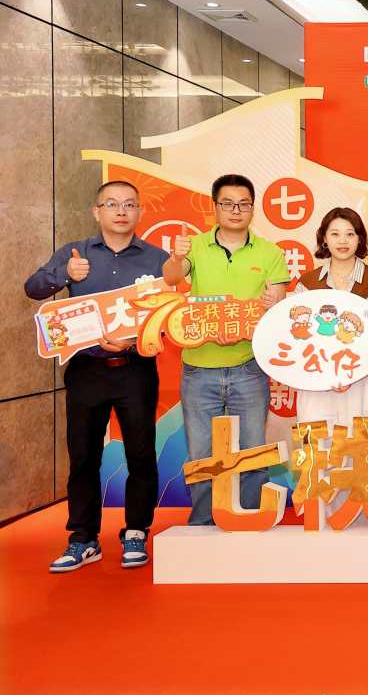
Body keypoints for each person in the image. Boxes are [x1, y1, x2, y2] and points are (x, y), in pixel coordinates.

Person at [25, 181, 169, 572]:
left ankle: (136, 532)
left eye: (129, 204)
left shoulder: (158, 259)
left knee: (141, 455)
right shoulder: (75, 253)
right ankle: (83, 539)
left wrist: (133, 341)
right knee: (83, 457)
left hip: (136, 370)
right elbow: (33, 288)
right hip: (86, 371)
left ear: (140, 212)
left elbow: (168, 317)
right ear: (97, 212)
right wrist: (63, 274)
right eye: (112, 204)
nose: (121, 211)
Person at [163, 174, 288, 526]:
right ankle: (204, 524)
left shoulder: (269, 252)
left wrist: (273, 300)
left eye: (243, 204)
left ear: (253, 208)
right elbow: (172, 277)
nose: (236, 210)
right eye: (228, 203)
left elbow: (278, 301)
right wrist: (176, 256)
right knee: (202, 454)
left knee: (253, 451)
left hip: (249, 366)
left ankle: (249, 519)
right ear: (215, 207)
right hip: (199, 367)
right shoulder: (196, 245)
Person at [292, 208, 368, 429]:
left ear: (360, 239)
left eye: (350, 234)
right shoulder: (308, 283)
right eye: (335, 234)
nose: (342, 240)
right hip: (314, 381)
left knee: (358, 447)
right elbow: (297, 336)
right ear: (324, 239)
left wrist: (351, 373)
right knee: (315, 448)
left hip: (359, 380)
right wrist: (325, 373)